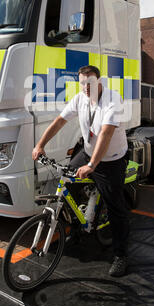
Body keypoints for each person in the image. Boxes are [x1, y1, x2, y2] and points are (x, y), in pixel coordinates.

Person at [32, 65, 131, 277]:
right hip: (88, 153)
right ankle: (76, 230)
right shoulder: (80, 99)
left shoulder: (113, 100)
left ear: (99, 81)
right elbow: (59, 121)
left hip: (111, 159)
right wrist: (40, 145)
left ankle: (121, 255)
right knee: (67, 183)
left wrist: (92, 166)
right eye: (83, 83)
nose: (86, 87)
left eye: (91, 83)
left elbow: (105, 134)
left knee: (116, 207)